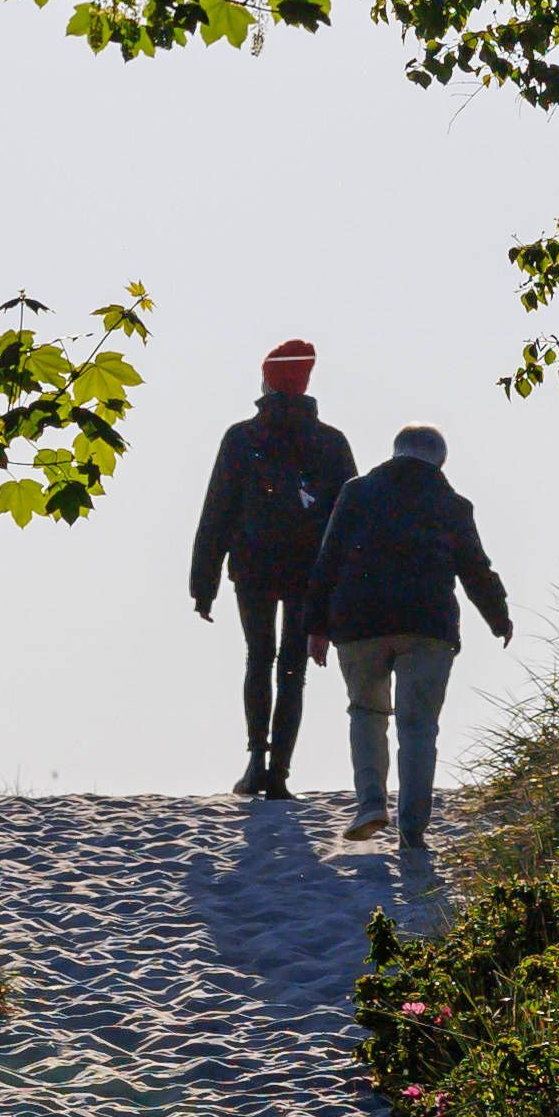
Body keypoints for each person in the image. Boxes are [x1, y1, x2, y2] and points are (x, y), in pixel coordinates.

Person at [299, 421, 514, 853]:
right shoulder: (453, 504)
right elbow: (475, 569)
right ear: (440, 461)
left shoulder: (356, 493)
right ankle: (412, 828)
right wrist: (498, 616)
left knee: (366, 712)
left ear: (395, 452)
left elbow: (329, 559)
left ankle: (371, 804)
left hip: (359, 625)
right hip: (428, 628)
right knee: (419, 727)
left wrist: (316, 626)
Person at [185, 339, 353, 800]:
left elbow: (217, 509)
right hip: (309, 572)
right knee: (293, 668)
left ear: (268, 381)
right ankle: (280, 771)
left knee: (258, 658)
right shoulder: (331, 442)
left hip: (254, 567)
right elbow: (348, 520)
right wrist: (344, 586)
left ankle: (256, 759)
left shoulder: (242, 437)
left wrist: (204, 582)